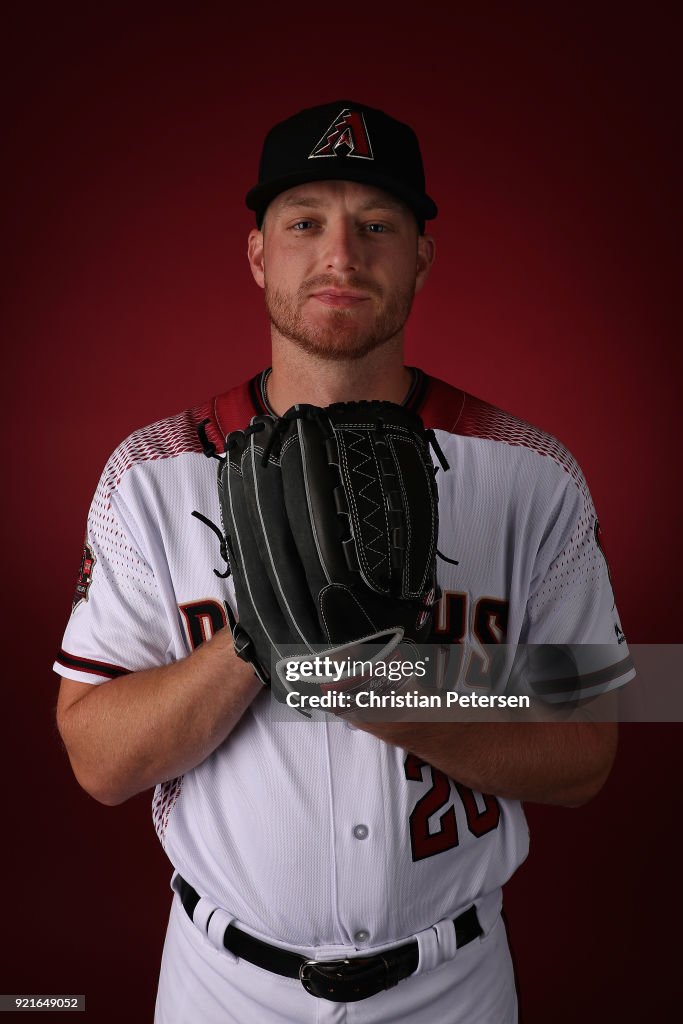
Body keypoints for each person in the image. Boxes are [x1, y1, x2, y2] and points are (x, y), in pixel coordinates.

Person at [55, 100, 634, 1023]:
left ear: (420, 258)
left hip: (455, 986)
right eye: (304, 223)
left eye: (376, 226)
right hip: (222, 986)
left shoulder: (533, 474)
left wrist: (396, 692)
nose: (340, 255)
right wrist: (253, 641)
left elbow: (589, 750)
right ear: (257, 255)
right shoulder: (153, 473)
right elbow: (96, 759)